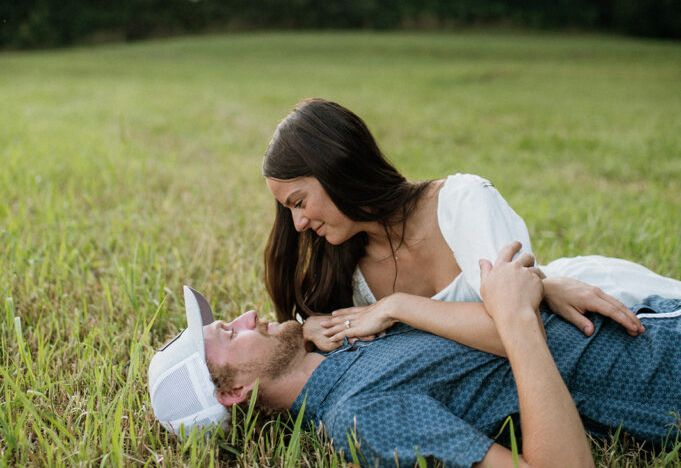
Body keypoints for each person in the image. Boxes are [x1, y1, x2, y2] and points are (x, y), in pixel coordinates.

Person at [148, 243, 681, 468]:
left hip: (655, 313)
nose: (246, 316)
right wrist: (517, 318)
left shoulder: (344, 344)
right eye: (231, 332)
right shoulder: (360, 419)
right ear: (236, 392)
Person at [262, 98, 681, 349]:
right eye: (289, 211)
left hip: (604, 307)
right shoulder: (349, 276)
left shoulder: (461, 203)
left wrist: (394, 307)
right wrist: (305, 331)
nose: (298, 224)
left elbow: (514, 334)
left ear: (338, 168)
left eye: (299, 202)